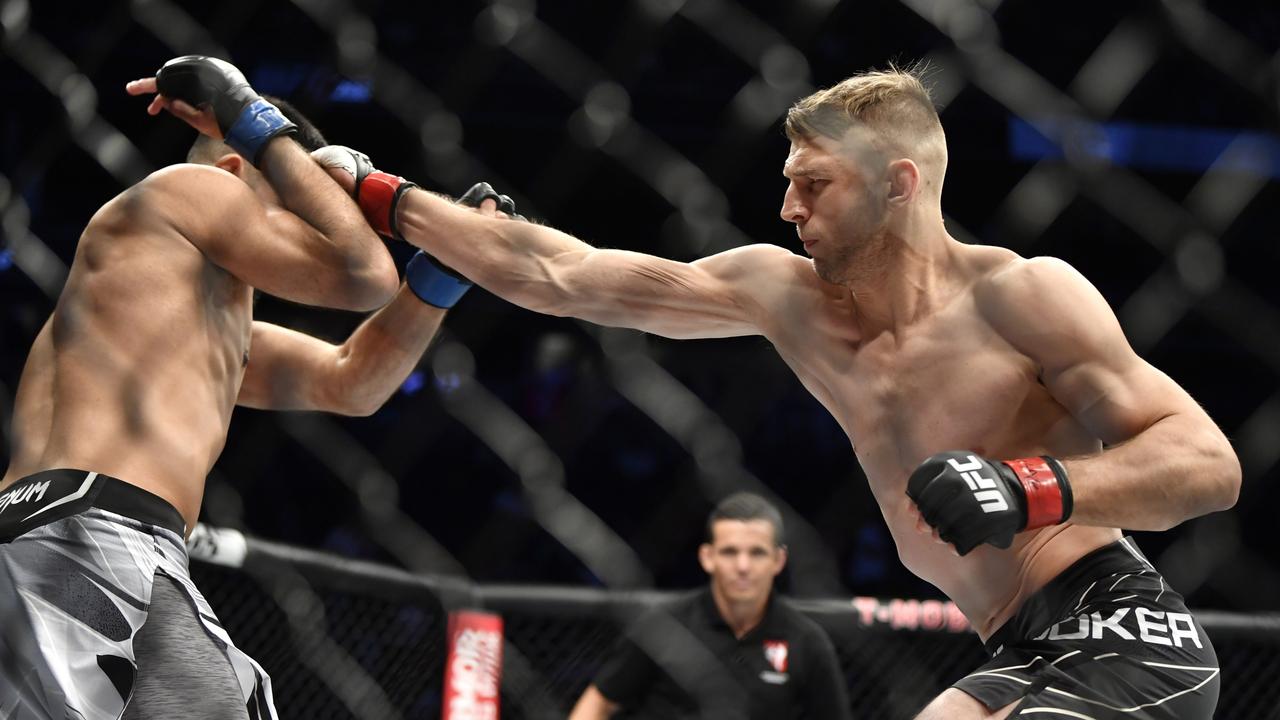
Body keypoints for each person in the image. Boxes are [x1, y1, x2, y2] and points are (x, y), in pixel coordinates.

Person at [351, 64, 1241, 718]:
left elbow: (1207, 464)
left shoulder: (1022, 295)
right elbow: (568, 274)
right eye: (788, 184)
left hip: (1120, 626)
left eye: (813, 185)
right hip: (1009, 645)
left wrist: (1030, 487)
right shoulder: (787, 297)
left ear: (898, 185)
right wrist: (380, 193)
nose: (788, 209)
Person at [0, 55, 493, 719]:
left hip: (55, 533)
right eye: (294, 200)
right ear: (239, 164)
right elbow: (363, 274)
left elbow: (351, 382)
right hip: (98, 529)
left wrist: (441, 277)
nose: (310, 224)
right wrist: (253, 123)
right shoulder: (194, 189)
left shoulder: (180, 318)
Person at [568, 492, 850, 720]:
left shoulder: (806, 641)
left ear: (778, 560)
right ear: (707, 557)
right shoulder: (666, 625)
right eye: (730, 552)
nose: (743, 566)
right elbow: (598, 703)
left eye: (757, 553)